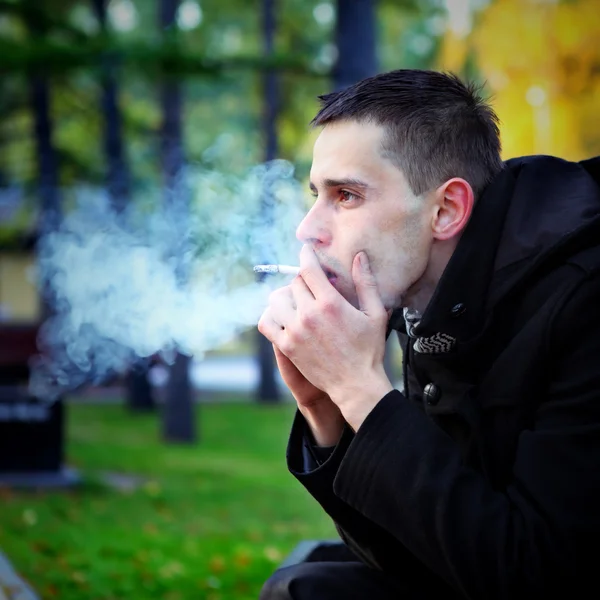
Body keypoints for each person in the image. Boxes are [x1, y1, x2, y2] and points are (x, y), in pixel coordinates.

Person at [257, 68, 600, 600]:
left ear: (446, 210)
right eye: (316, 194)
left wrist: (360, 390)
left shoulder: (583, 295)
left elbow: (538, 575)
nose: (308, 228)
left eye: (345, 195)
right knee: (305, 586)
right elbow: (420, 560)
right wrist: (326, 408)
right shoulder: (427, 297)